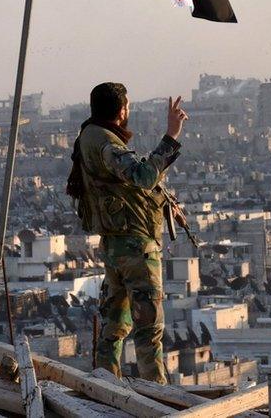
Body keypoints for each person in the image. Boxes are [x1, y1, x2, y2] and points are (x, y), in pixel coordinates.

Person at [65, 82, 188, 384]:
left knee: (115, 325)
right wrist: (171, 135)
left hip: (116, 245)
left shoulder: (89, 136)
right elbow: (143, 175)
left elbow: (125, 189)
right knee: (148, 328)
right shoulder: (105, 142)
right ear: (121, 111)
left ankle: (105, 389)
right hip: (136, 248)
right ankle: (158, 399)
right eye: (128, 107)